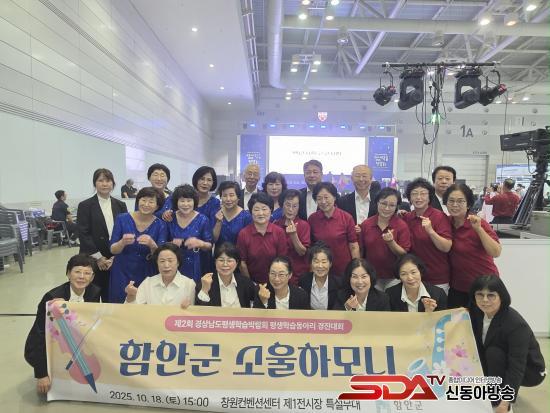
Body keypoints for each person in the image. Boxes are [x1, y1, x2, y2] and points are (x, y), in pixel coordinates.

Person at [24, 254, 100, 394]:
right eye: (77, 271)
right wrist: (41, 374)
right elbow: (39, 336)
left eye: (87, 273)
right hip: (54, 343)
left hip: (76, 341)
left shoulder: (94, 292)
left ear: (92, 277)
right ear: (68, 274)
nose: (82, 276)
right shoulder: (52, 297)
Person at [468, 276, 546, 413]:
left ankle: (498, 399)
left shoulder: (516, 324)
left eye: (491, 295)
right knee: (482, 350)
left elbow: (517, 365)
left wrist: (505, 402)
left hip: (530, 370)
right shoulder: (477, 312)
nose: (484, 300)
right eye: (480, 294)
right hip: (502, 359)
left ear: (501, 297)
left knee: (493, 353)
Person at [444, 183, 501, 308]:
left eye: (460, 201)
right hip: (458, 288)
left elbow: (496, 252)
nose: (455, 205)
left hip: (484, 286)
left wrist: (479, 229)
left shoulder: (478, 223)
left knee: (484, 320)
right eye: (451, 201)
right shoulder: (445, 222)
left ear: (468, 204)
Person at [109, 187, 167, 303]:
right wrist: (122, 242)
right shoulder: (122, 219)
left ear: (157, 206)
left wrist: (152, 245)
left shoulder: (161, 225)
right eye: (143, 200)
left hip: (147, 271)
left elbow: (161, 256)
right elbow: (113, 250)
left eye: (151, 202)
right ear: (138, 201)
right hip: (121, 270)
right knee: (119, 303)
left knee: (144, 304)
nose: (146, 204)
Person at [77, 168, 128, 302]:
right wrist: (98, 258)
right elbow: (83, 234)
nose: (105, 184)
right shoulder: (85, 205)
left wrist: (115, 257)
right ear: (95, 183)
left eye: (108, 180)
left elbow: (125, 232)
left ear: (113, 183)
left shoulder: (121, 205)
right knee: (91, 296)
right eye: (100, 180)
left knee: (111, 297)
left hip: (114, 258)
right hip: (92, 258)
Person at [403, 178, 452, 293]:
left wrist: (431, 231)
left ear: (430, 197)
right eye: (414, 194)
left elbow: (446, 247)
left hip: (436, 278)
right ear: (409, 198)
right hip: (413, 278)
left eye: (423, 193)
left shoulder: (439, 216)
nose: (418, 197)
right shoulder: (407, 217)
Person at [360, 188, 411, 291]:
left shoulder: (401, 225)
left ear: (396, 207)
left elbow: (403, 254)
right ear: (377, 203)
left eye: (392, 205)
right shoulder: (366, 224)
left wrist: (391, 242)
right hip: (371, 275)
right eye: (383, 204)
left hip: (395, 276)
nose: (387, 208)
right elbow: (361, 251)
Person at [308, 182, 359, 277]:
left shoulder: (346, 217)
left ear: (334, 197)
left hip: (342, 269)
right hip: (320, 268)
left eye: (326, 197)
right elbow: (310, 247)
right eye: (319, 198)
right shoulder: (312, 219)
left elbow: (353, 246)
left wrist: (356, 268)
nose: (323, 201)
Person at [236, 192, 288, 284]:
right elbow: (242, 263)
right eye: (256, 210)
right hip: (251, 282)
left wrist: (276, 281)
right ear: (251, 212)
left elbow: (282, 260)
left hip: (276, 282)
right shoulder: (243, 234)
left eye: (264, 209)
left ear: (271, 210)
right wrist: (251, 284)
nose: (261, 213)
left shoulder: (279, 232)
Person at [124, 243, 195, 306]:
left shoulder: (189, 284)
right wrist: (131, 296)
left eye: (170, 261)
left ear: (178, 263)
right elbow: (133, 312)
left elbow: (195, 312)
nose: (166, 265)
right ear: (157, 263)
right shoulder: (148, 283)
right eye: (162, 261)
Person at [167, 185, 212, 282]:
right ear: (176, 202)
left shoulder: (203, 219)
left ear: (194, 201)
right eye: (182, 201)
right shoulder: (170, 218)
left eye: (189, 201)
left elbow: (209, 246)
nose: (186, 204)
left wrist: (200, 243)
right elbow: (161, 243)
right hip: (172, 264)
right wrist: (171, 243)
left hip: (196, 265)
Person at [195, 242, 256, 308]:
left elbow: (258, 303)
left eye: (229, 261)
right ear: (215, 262)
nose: (225, 264)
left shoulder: (245, 282)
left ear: (236, 263)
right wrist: (204, 290)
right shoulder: (205, 283)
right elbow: (199, 311)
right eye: (221, 260)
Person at [274, 189, 311, 283]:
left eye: (294, 206)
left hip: (298, 276)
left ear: (299, 207)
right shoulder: (276, 224)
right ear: (282, 205)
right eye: (287, 205)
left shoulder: (304, 225)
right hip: (279, 275)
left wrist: (294, 235)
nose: (290, 209)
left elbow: (302, 252)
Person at [298, 242, 342, 310]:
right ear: (311, 263)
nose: (320, 266)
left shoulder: (338, 283)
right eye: (316, 262)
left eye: (324, 262)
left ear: (330, 264)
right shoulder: (304, 280)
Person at [212, 181, 252, 247]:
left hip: (239, 253)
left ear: (238, 197)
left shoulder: (246, 216)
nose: (228, 199)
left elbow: (249, 241)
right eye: (224, 196)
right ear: (220, 197)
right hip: (219, 253)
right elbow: (213, 240)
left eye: (231, 195)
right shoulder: (216, 213)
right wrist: (218, 223)